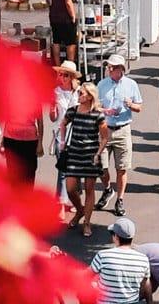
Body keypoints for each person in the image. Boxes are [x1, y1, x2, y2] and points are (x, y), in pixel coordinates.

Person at [96, 55, 144, 218]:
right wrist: (105, 111)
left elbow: (139, 107)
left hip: (123, 130)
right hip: (105, 129)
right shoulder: (102, 85)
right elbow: (95, 106)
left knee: (121, 168)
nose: (109, 70)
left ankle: (120, 199)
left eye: (113, 68)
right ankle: (108, 189)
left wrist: (131, 105)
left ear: (121, 69)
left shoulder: (131, 85)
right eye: (108, 67)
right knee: (101, 166)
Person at [59, 82, 109, 237]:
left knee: (89, 189)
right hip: (74, 153)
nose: (79, 95)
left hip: (90, 156)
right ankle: (79, 210)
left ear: (89, 97)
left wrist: (97, 154)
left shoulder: (98, 115)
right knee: (70, 188)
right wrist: (62, 142)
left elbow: (104, 138)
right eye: (79, 92)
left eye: (82, 93)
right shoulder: (73, 111)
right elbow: (63, 124)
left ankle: (86, 223)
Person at [0, 58, 46, 187]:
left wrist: (40, 143)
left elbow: (40, 121)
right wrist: (3, 140)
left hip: (29, 139)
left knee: (29, 172)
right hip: (11, 136)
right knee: (12, 173)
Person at [90, 218, 152, 303]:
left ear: (116, 236)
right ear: (132, 237)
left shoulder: (103, 255)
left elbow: (86, 276)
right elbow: (145, 286)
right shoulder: (143, 259)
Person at [50, 60, 82, 212]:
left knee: (75, 170)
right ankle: (60, 204)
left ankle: (73, 199)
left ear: (71, 77)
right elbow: (53, 118)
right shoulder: (55, 92)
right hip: (61, 136)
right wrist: (52, 111)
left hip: (77, 135)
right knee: (63, 170)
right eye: (60, 74)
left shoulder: (80, 92)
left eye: (65, 75)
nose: (61, 77)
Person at [45, 0, 78, 67]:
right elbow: (68, 1)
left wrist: (52, 9)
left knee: (56, 41)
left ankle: (57, 67)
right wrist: (73, 16)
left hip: (54, 16)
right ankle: (70, 67)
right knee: (70, 43)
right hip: (65, 18)